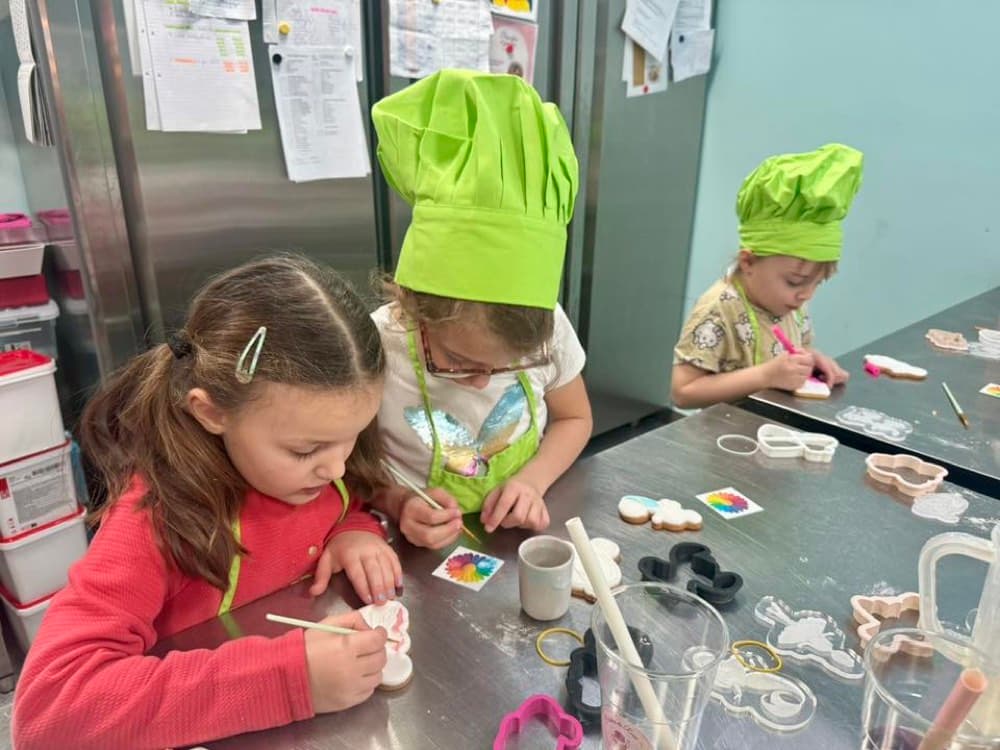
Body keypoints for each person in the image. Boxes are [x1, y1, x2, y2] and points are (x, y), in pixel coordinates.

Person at [13, 255, 401, 749]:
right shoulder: (155, 520)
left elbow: (344, 502)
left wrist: (354, 532)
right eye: (305, 450)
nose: (336, 470)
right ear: (212, 412)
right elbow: (48, 715)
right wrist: (289, 680)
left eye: (352, 438)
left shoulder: (316, 464)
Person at [368, 70, 593, 549]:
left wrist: (533, 480)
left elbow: (575, 418)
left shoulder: (548, 328)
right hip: (407, 547)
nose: (483, 382)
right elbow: (348, 464)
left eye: (510, 366)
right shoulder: (375, 347)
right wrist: (397, 502)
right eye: (459, 362)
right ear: (413, 308)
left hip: (509, 540)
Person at [672, 143, 864, 409]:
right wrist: (765, 376)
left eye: (816, 283)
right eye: (795, 282)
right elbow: (683, 391)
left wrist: (811, 359)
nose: (806, 294)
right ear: (748, 261)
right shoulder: (720, 309)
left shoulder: (792, 304)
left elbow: (795, 348)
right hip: (724, 441)